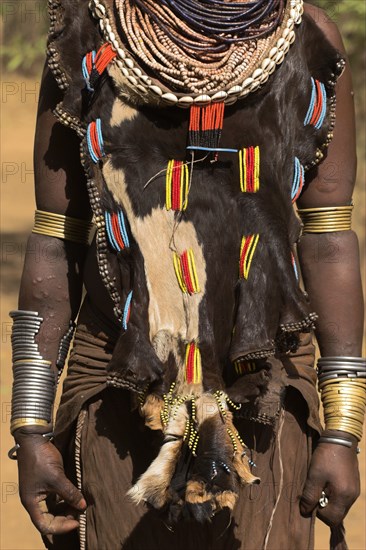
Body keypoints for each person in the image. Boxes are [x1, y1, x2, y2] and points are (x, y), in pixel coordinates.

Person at [9, 1, 365, 549]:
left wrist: (343, 428)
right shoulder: (90, 35)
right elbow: (57, 238)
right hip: (117, 385)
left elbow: (329, 242)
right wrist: (30, 427)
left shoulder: (307, 40)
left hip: (265, 389)